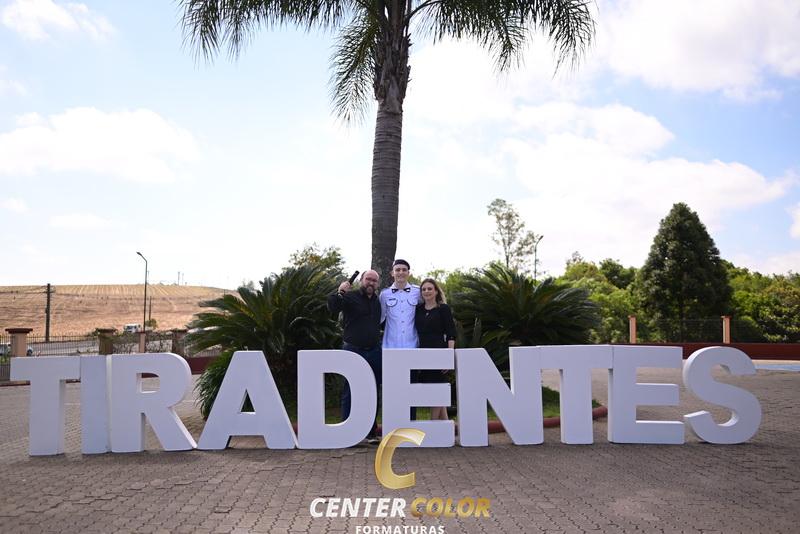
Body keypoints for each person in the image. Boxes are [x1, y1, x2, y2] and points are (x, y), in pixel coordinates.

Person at [327, 269, 382, 443]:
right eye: (368, 279)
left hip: (374, 351)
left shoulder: (377, 301)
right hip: (353, 350)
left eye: (374, 280)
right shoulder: (350, 297)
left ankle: (371, 432)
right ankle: (347, 433)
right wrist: (340, 291)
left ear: (377, 284)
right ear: (361, 280)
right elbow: (333, 307)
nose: (371, 282)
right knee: (350, 390)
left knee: (373, 390)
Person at [379, 258, 421, 419]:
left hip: (413, 347)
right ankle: (393, 423)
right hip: (390, 348)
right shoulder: (384, 295)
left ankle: (411, 423)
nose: (401, 272)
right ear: (392, 273)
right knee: (392, 389)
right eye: (398, 270)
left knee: (412, 389)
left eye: (404, 269)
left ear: (409, 272)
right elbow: (379, 319)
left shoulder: (418, 292)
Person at [415, 278, 456, 420]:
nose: (426, 291)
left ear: (436, 291)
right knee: (433, 390)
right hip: (422, 354)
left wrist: (448, 356)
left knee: (437, 389)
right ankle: (446, 427)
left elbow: (451, 333)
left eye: (429, 289)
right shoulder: (418, 309)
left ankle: (433, 424)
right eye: (424, 289)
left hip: (439, 353)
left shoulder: (443, 309)